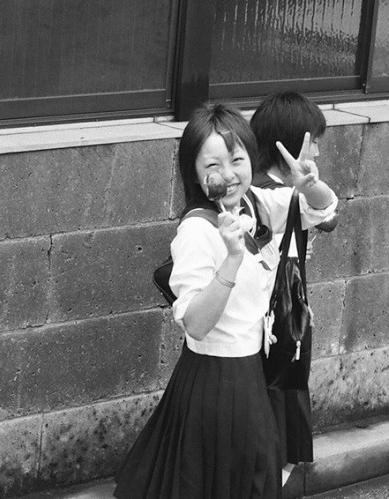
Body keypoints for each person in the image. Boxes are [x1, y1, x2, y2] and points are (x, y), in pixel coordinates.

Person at [113, 103, 338, 499]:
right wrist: (232, 259)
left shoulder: (254, 202)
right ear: (195, 173)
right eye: (213, 165)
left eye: (237, 159)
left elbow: (322, 211)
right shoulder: (197, 230)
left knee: (250, 475)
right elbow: (196, 323)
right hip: (214, 379)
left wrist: (308, 184)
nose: (229, 174)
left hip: (251, 369)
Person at [250, 91, 338, 484]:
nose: (317, 151)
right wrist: (305, 190)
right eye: (313, 141)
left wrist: (308, 185)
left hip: (283, 326)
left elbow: (329, 215)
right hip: (267, 334)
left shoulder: (286, 192)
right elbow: (327, 214)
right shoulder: (264, 197)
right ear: (287, 144)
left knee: (276, 436)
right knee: (269, 435)